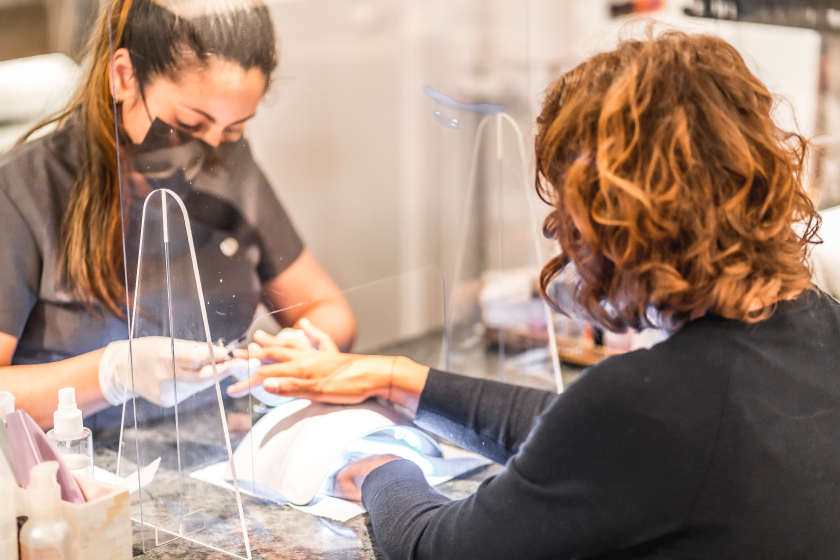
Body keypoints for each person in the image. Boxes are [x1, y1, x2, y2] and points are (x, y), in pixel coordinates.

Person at [229, 31, 840, 559]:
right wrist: (397, 378)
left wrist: (372, 467)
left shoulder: (658, 404)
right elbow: (581, 433)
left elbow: (440, 548)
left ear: (613, 220)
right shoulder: (817, 326)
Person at [0, 0, 355, 429]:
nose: (207, 152)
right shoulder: (22, 192)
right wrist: (112, 374)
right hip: (87, 473)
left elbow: (331, 313)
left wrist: (296, 348)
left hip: (220, 453)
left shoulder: (230, 164)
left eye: (234, 128)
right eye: (188, 124)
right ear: (124, 76)